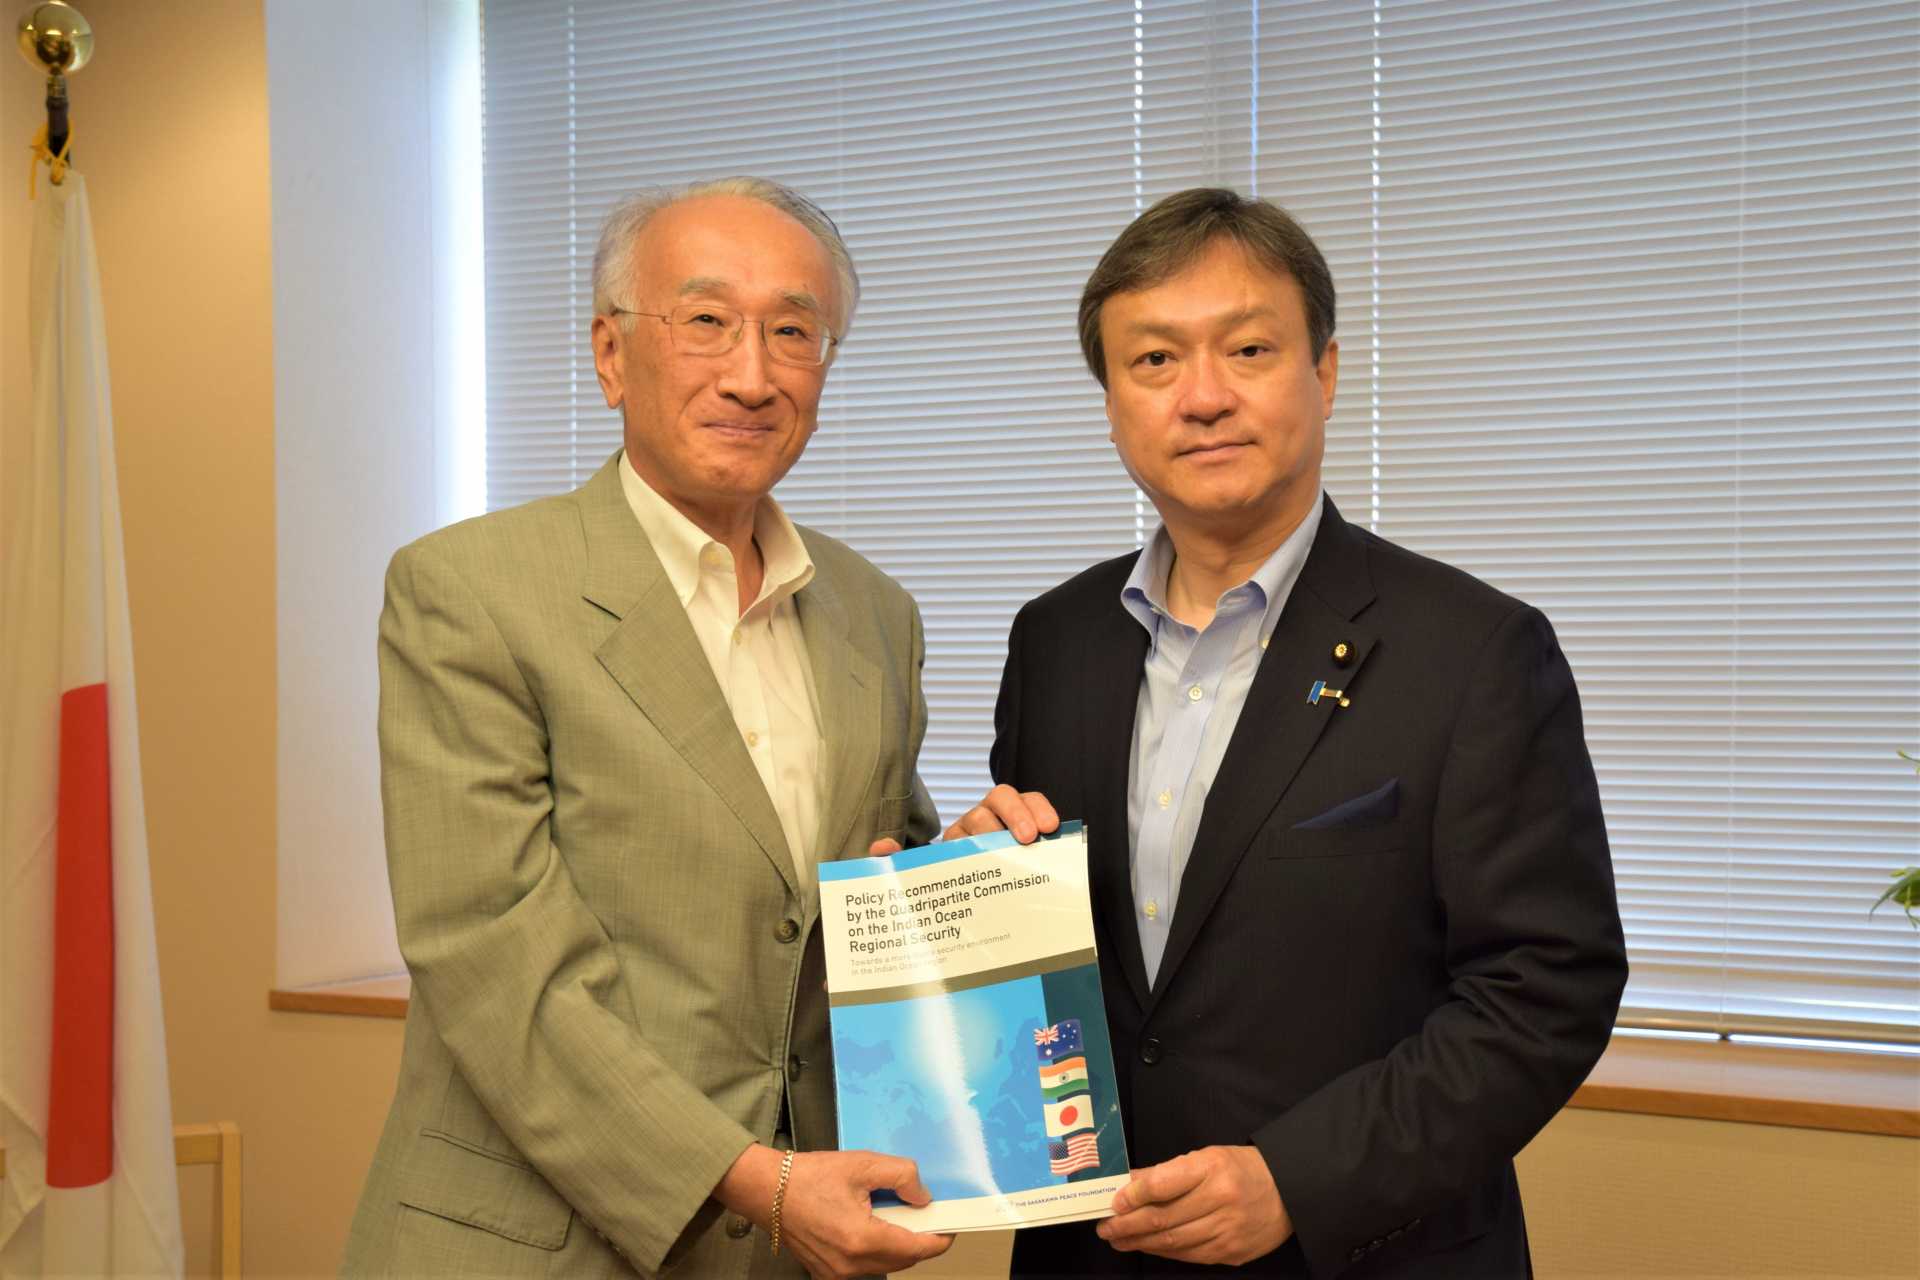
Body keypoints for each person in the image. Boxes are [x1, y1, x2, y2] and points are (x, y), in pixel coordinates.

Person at [955, 188, 1628, 1276]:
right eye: (1155, 361)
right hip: (1094, 1251)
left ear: (1324, 371)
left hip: (1363, 1252)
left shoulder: (1475, 650)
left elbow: (1548, 986)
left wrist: (1298, 1177)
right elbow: (1060, 981)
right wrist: (959, 903)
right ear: (1113, 400)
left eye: (1250, 348)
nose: (1204, 397)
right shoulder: (1056, 639)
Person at [342, 177, 953, 1279]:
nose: (753, 373)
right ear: (612, 354)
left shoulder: (876, 612)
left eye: (794, 332)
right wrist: (759, 1179)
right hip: (535, 1247)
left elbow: (865, 891)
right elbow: (492, 959)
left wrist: (964, 873)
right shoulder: (471, 590)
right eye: (707, 321)